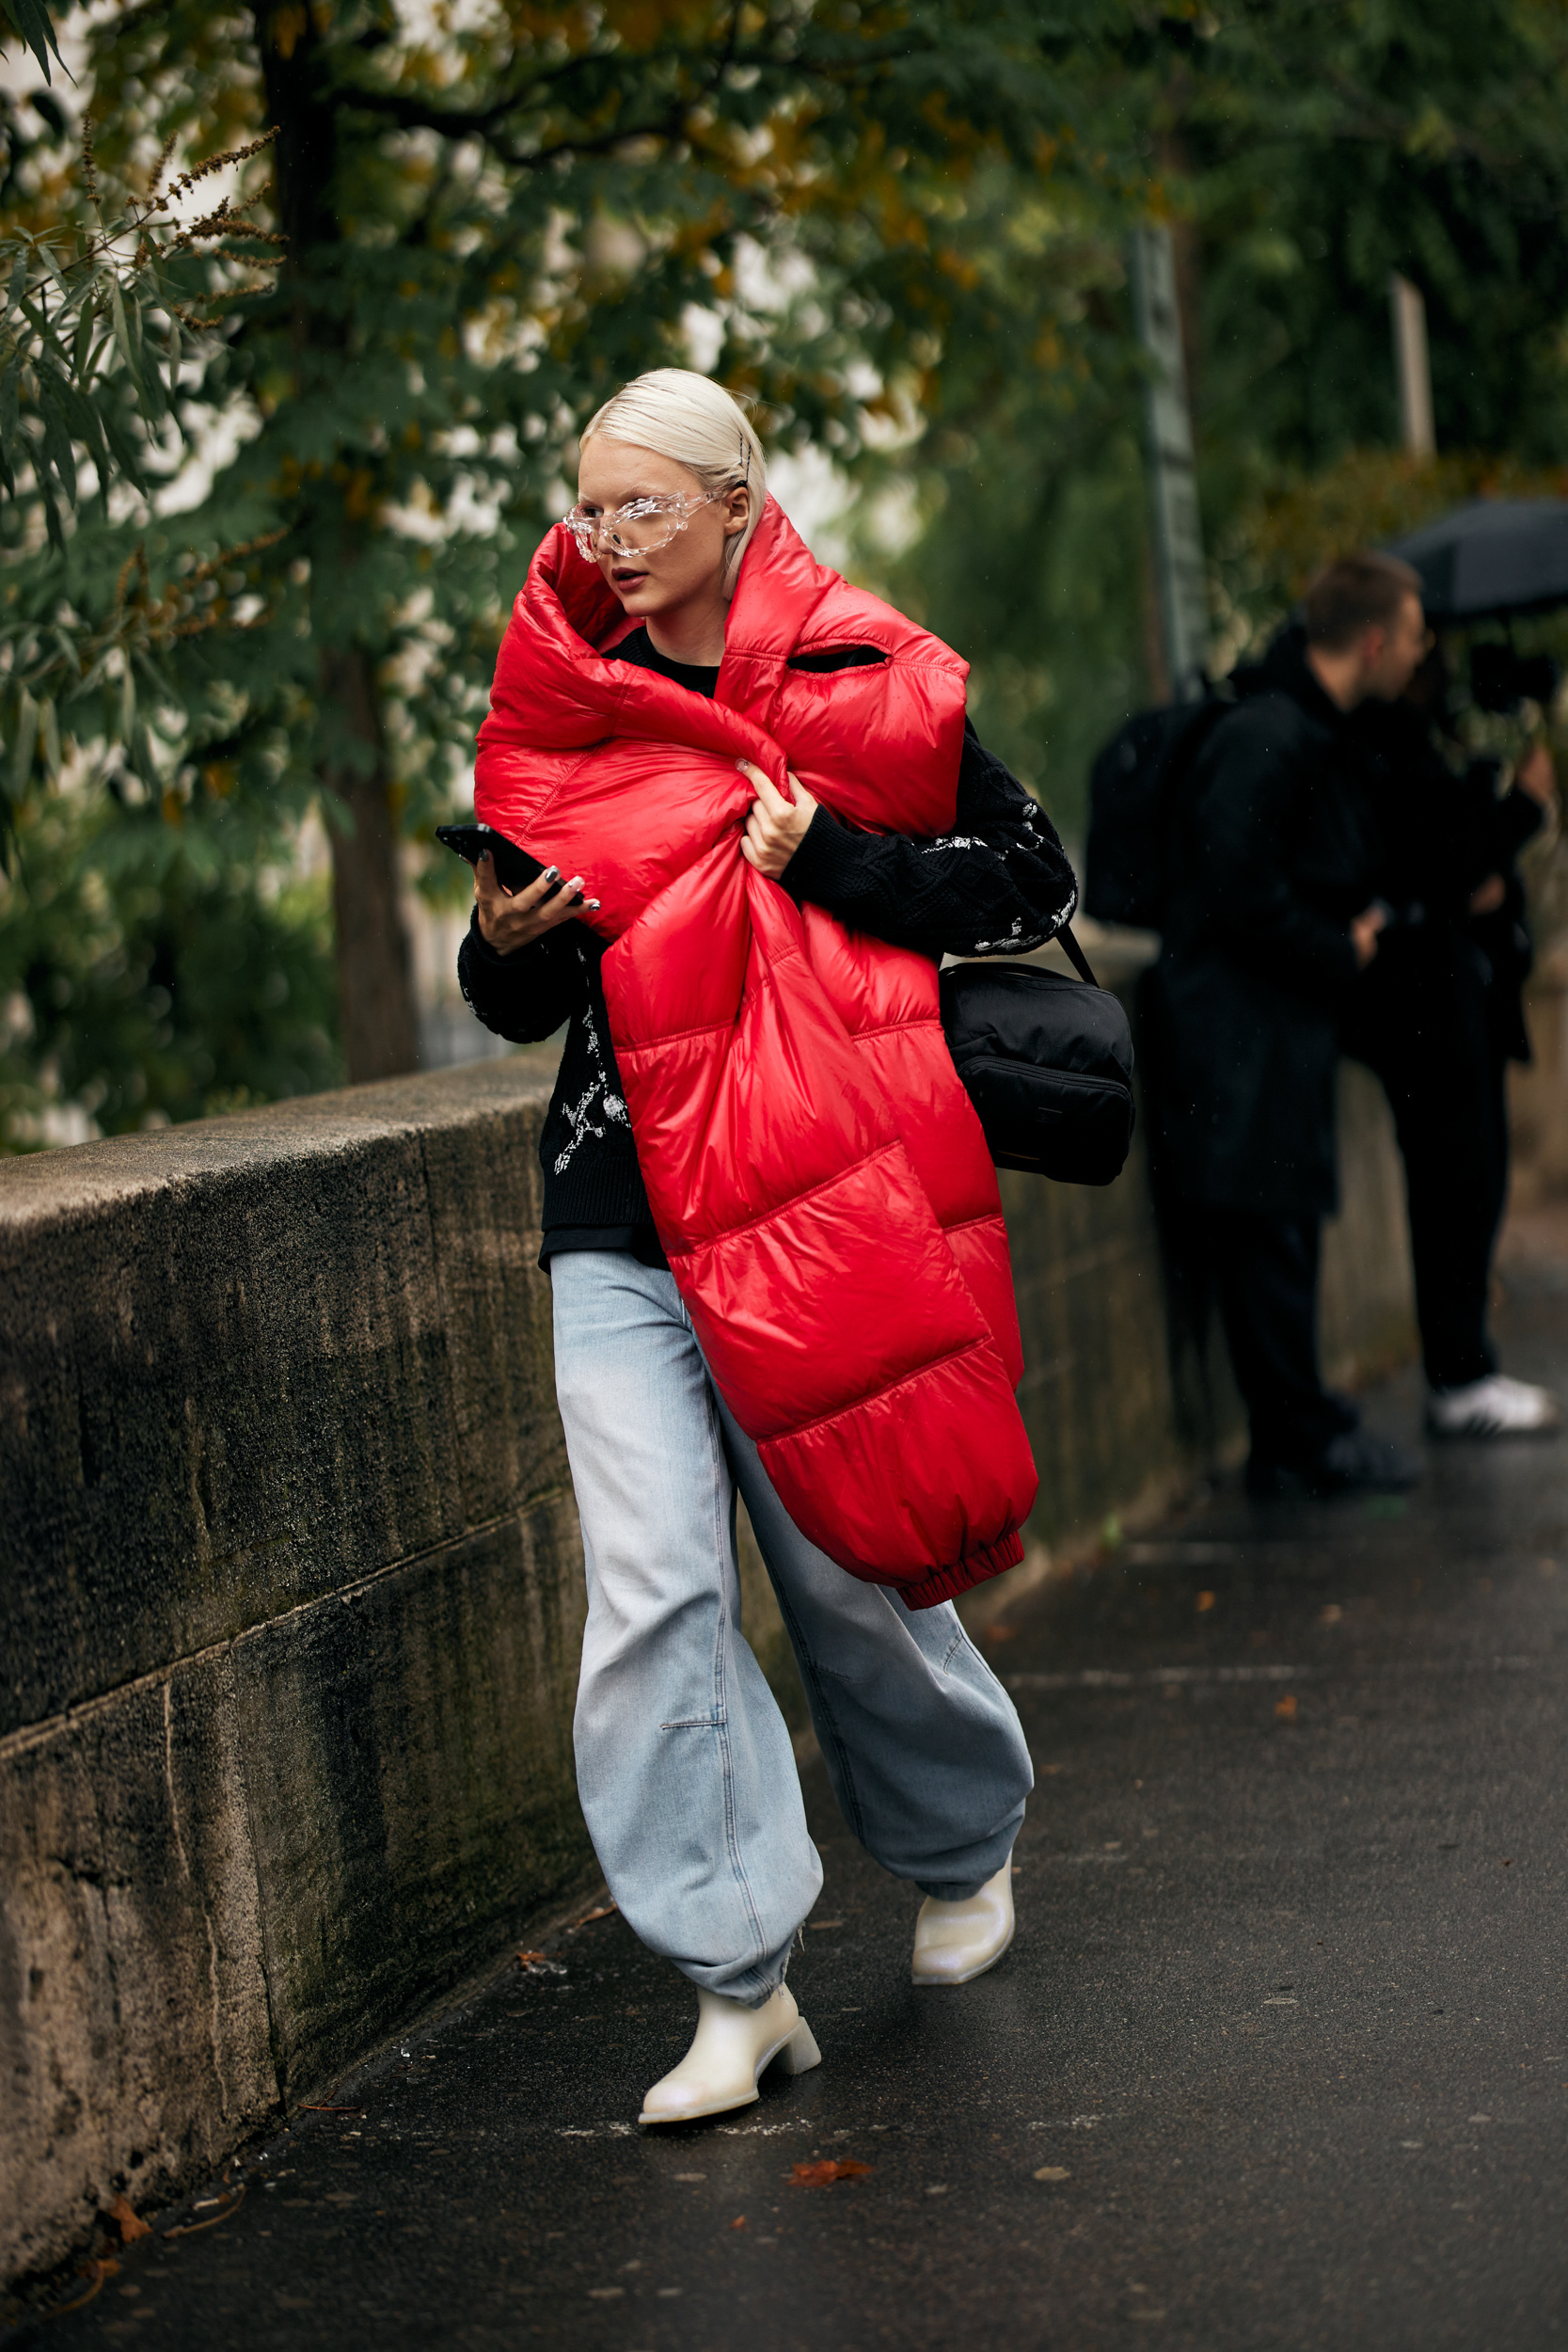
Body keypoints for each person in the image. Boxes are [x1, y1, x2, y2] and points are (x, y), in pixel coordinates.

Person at [457, 370, 1078, 2126]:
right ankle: (737, 1982)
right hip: (619, 1200)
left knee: (839, 1581)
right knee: (651, 1592)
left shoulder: (859, 677)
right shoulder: (570, 698)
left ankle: (962, 1844)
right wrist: (504, 937)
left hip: (815, 1190)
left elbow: (1029, 879)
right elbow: (509, 990)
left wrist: (836, 862)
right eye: (583, 512)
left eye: (636, 510)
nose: (603, 545)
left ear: (735, 503)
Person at [1148, 552, 1430, 1497]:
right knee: (1265, 1237)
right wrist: (1334, 945)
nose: (1421, 654)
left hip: (1266, 1033)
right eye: (1416, 636)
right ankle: (1292, 1439)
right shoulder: (1267, 731)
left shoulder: (1299, 726)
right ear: (1378, 639)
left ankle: (1301, 1426)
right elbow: (1235, 890)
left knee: (1283, 1231)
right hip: (1237, 1038)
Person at [1349, 656, 1559, 1436]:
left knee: (1471, 1182)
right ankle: (1459, 1374)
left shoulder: (1419, 737)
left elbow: (1460, 864)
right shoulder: (1384, 742)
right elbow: (1437, 860)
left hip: (1452, 1002)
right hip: (1425, 1012)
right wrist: (1521, 811)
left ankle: (1466, 1365)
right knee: (1454, 1185)